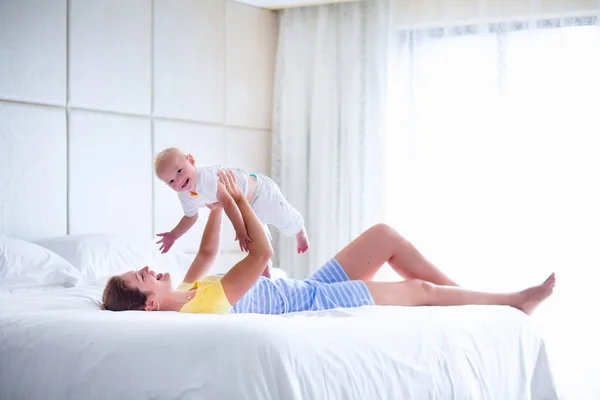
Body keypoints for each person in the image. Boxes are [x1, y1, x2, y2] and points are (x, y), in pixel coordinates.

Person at [102, 170, 555, 315]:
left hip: (305, 288)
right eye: (144, 276)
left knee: (383, 236)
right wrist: (240, 200)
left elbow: (204, 253)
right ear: (147, 303)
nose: (151, 269)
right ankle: (511, 303)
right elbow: (260, 252)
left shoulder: (188, 290)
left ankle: (469, 299)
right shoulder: (201, 306)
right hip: (314, 304)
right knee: (420, 293)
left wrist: (216, 204)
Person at [153, 147, 309, 266]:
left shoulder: (207, 177)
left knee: (284, 218)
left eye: (180, 171)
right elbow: (190, 217)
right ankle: (265, 272)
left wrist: (239, 230)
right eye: (171, 181)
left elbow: (228, 202)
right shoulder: (184, 195)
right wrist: (173, 235)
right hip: (245, 208)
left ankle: (299, 230)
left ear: (191, 160)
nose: (178, 180)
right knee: (257, 242)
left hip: (261, 194)